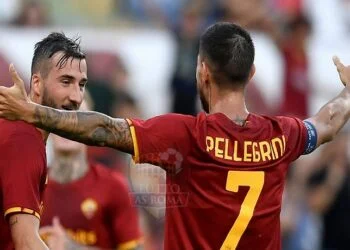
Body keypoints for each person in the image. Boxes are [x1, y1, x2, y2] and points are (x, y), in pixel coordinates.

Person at [0, 22, 349, 250]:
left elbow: (106, 129)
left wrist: (33, 112)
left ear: (202, 71)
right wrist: (348, 93)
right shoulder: (282, 134)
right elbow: (327, 123)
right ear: (252, 73)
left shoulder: (185, 135)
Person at [0, 32, 87, 250]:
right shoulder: (24, 140)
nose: (76, 97)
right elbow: (26, 244)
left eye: (82, 84)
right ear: (37, 84)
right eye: (66, 82)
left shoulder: (22, 133)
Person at [40, 98, 142, 250]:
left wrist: (72, 248)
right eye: (60, 115)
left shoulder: (114, 186)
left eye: (78, 117)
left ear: (91, 129)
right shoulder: (29, 185)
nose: (68, 124)